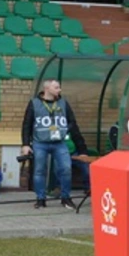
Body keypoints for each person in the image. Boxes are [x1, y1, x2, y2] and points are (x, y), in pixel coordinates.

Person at [20, 79, 89, 210]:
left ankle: (66, 198)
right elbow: (26, 125)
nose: (59, 90)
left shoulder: (63, 103)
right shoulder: (34, 103)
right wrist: (25, 144)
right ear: (47, 89)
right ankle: (40, 199)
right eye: (56, 87)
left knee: (66, 169)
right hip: (40, 142)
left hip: (59, 142)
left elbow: (72, 122)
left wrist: (66, 131)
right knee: (39, 171)